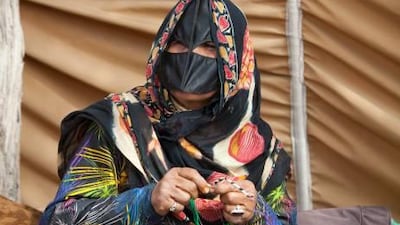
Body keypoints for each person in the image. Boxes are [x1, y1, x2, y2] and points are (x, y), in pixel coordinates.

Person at [39, 0, 296, 224]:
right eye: (179, 43)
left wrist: (256, 214)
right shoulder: (120, 124)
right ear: (161, 48)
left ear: (238, 61)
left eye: (209, 47)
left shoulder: (260, 148)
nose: (191, 57)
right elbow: (61, 218)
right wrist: (147, 202)